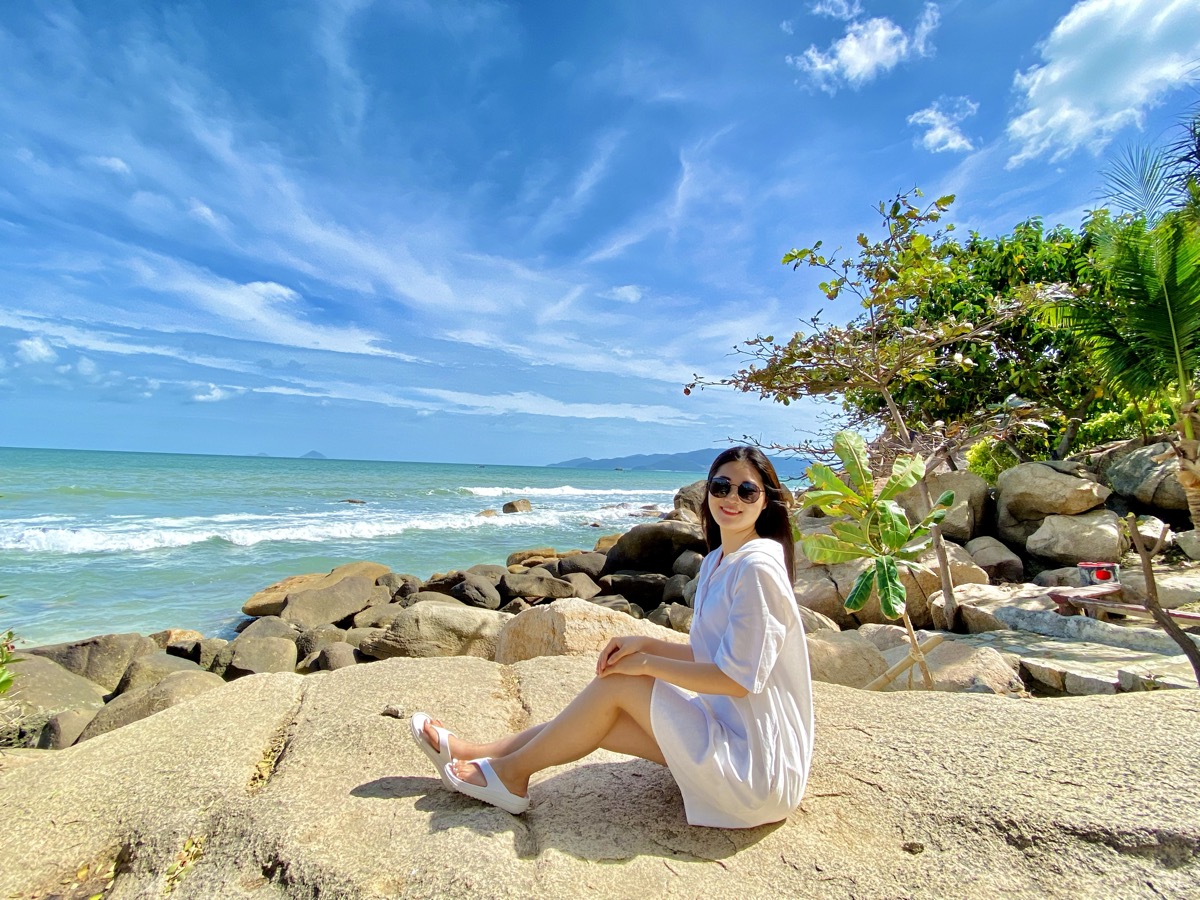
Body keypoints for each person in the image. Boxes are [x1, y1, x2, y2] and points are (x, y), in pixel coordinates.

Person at [410, 446, 814, 826]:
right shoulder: (717, 562)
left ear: (766, 501)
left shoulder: (757, 569)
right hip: (727, 736)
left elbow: (736, 679)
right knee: (604, 716)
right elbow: (711, 653)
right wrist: (645, 644)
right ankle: (479, 754)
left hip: (756, 770)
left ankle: (509, 776)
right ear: (707, 491)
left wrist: (647, 665)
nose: (732, 498)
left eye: (747, 491)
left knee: (621, 681)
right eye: (721, 486)